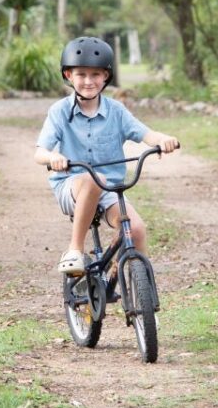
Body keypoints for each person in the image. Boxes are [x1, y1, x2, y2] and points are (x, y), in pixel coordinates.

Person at [35, 36, 180, 276]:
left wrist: (163, 139)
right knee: (94, 178)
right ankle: (75, 250)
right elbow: (39, 152)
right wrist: (52, 158)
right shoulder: (59, 111)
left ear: (106, 76)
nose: (88, 81)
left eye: (95, 74)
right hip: (72, 186)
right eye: (81, 74)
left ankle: (138, 289)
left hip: (109, 189)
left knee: (135, 230)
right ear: (69, 75)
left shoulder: (116, 111)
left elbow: (146, 133)